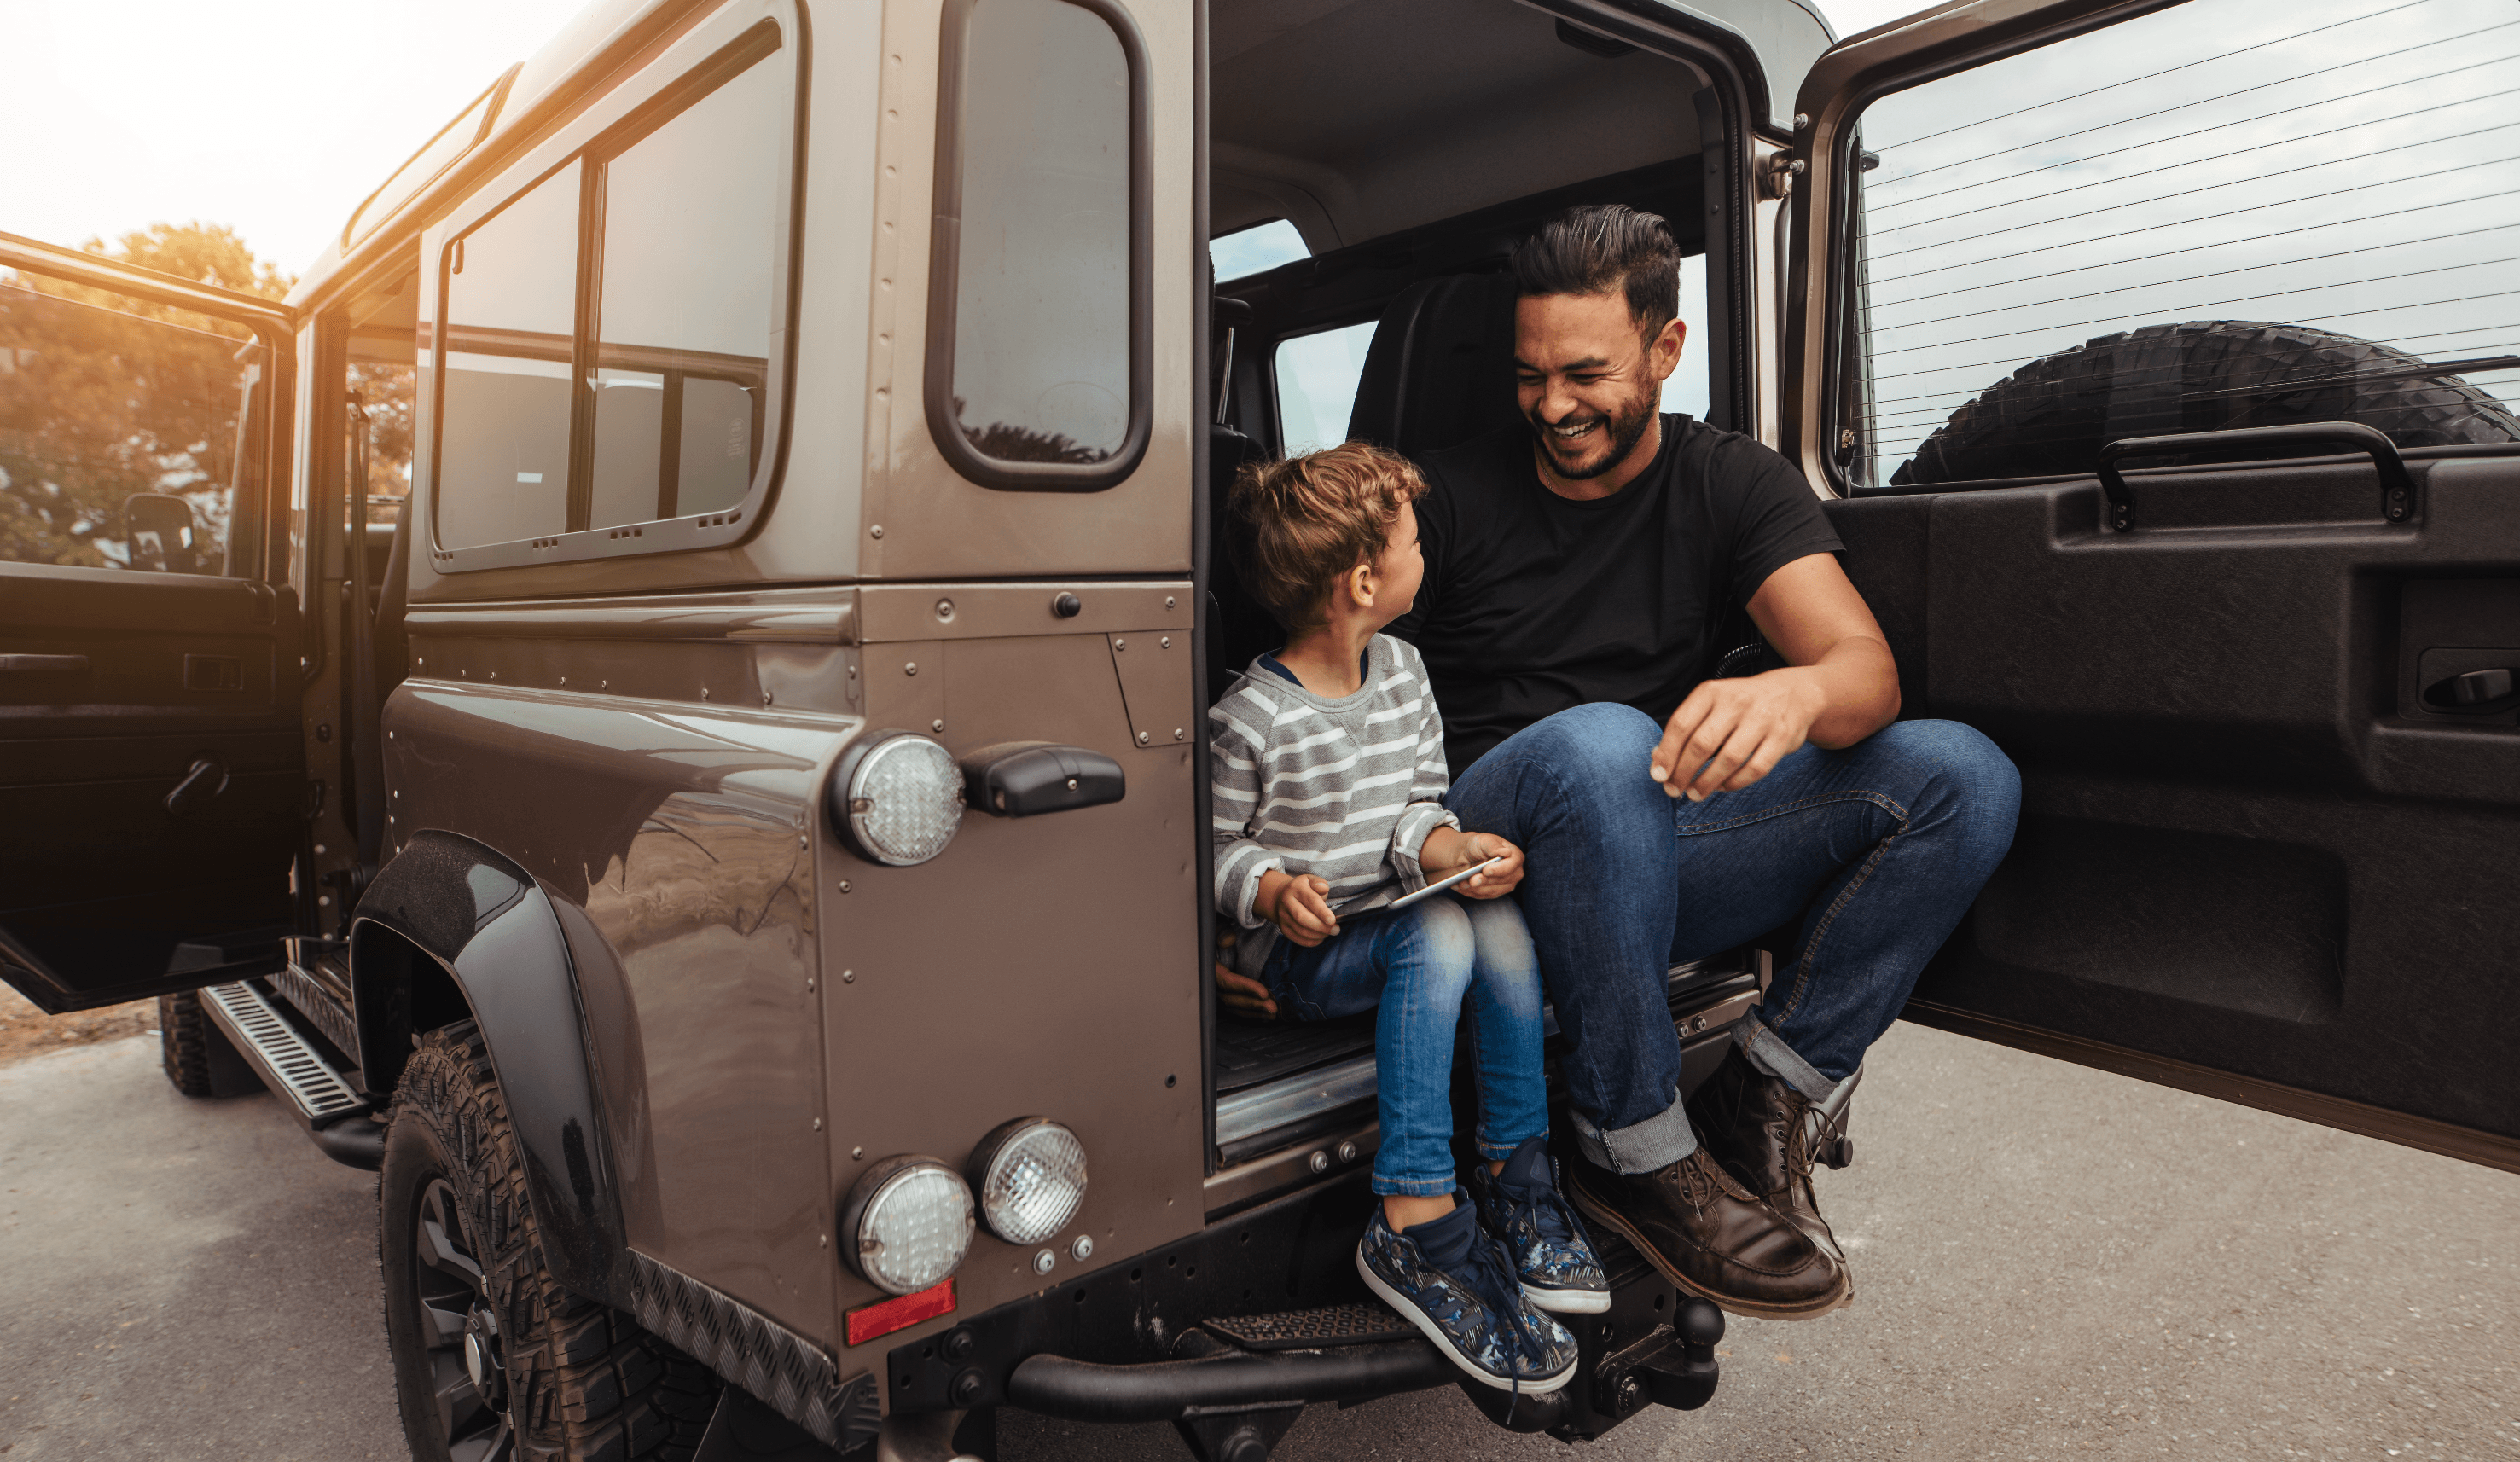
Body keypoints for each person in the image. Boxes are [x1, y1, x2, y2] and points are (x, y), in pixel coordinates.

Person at [1223, 204, 2023, 1320]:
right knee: (1605, 742)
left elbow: (1862, 672)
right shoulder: (1439, 500)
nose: (1552, 405)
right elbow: (1284, 682)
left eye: (1584, 373)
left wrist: (1793, 688)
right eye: (1528, 373)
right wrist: (1250, 902)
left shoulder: (1728, 483)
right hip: (1473, 856)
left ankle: (1764, 1095)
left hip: (1637, 858)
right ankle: (1632, 1145)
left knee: (1960, 774)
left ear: (1664, 350)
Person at [1209, 442, 1603, 1393]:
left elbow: (1416, 807)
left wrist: (1452, 850)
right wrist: (1266, 890)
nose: (1426, 553)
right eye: (1414, 542)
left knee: (1494, 919)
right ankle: (1415, 1219)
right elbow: (1210, 850)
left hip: (1395, 922)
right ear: (1360, 580)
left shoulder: (1404, 672)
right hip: (1302, 960)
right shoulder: (1250, 718)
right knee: (1437, 932)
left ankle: (1513, 1173)